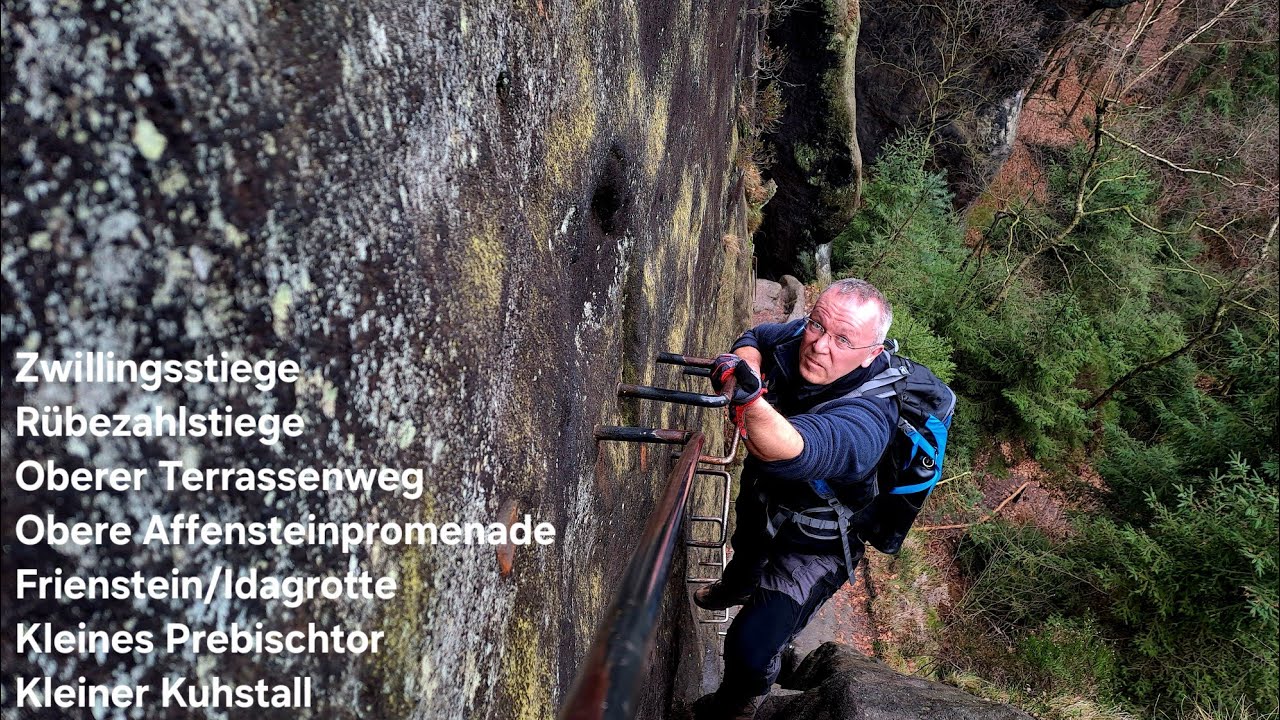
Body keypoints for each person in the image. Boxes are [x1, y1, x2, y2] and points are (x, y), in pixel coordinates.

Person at [691, 278, 899, 720]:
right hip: (766, 500)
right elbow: (756, 338)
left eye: (843, 339)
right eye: (818, 326)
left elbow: (799, 448)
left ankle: (739, 701)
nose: (821, 345)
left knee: (749, 645)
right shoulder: (802, 336)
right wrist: (743, 363)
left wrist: (745, 395)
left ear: (872, 354)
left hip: (817, 544)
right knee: (745, 550)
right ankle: (735, 585)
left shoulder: (870, 419)